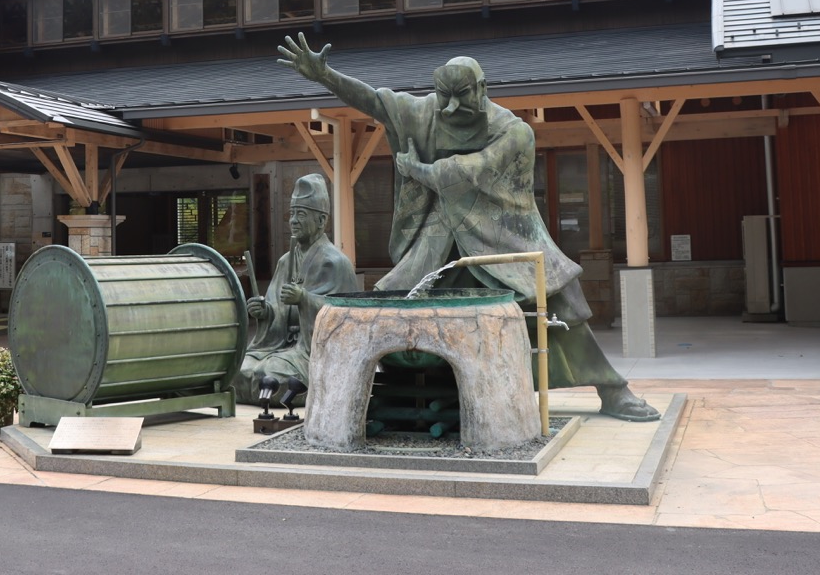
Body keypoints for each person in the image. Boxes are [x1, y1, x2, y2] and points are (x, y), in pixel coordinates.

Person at [277, 33, 659, 421]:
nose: (452, 106)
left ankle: (612, 389)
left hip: (500, 238)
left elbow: (467, 172)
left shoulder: (512, 131)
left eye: (462, 96)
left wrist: (416, 171)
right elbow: (377, 101)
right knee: (400, 309)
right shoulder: (426, 113)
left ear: (482, 89)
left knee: (558, 303)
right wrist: (325, 76)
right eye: (444, 96)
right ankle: (425, 391)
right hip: (438, 238)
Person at [232, 173, 358, 406]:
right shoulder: (285, 261)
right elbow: (275, 307)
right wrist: (264, 311)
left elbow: (346, 314)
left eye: (301, 214)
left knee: (271, 374)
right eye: (291, 214)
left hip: (310, 351)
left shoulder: (335, 263)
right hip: (277, 345)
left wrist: (304, 299)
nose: (293, 221)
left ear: (321, 220)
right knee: (239, 368)